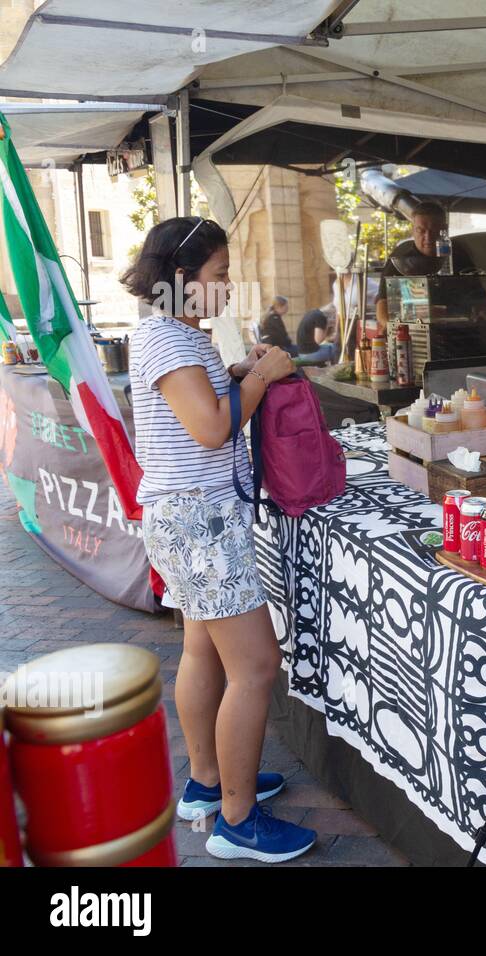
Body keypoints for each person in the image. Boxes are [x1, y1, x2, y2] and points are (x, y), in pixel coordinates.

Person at [121, 216, 318, 863]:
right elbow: (210, 427)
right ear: (181, 281)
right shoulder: (171, 341)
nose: (228, 288)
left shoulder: (172, 334)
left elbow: (199, 402)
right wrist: (262, 377)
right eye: (220, 277)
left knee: (204, 651)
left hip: (188, 521)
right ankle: (237, 820)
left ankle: (209, 783)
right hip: (198, 524)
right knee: (257, 666)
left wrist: (236, 367)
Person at [374, 201, 448, 335]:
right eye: (421, 230)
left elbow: (478, 300)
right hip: (410, 336)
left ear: (445, 229)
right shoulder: (400, 261)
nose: (428, 237)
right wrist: (394, 329)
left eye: (434, 230)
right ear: (413, 230)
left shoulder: (458, 255)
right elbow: (382, 304)